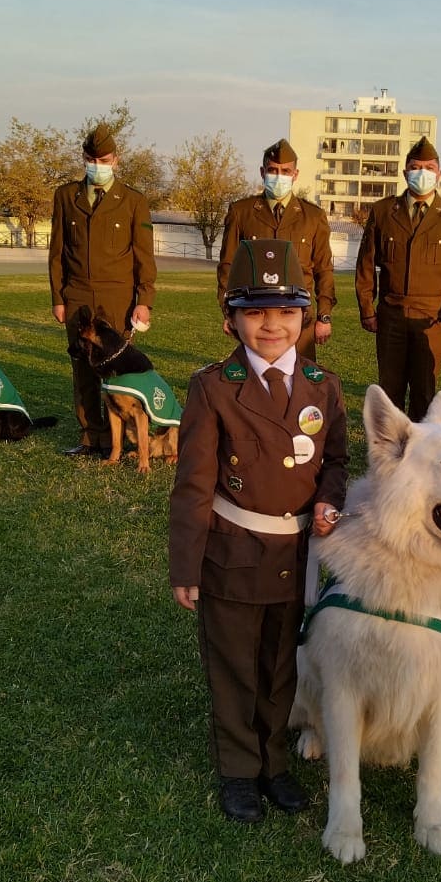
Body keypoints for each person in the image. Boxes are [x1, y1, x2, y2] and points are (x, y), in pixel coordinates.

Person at [170, 239, 348, 824]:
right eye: (256, 312)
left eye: (287, 311)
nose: (272, 325)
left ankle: (274, 764)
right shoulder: (213, 387)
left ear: (306, 317)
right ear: (232, 318)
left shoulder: (323, 385)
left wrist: (329, 499)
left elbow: (336, 461)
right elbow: (194, 484)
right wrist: (186, 565)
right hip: (233, 554)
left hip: (296, 554)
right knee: (235, 669)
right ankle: (240, 771)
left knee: (280, 665)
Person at [355, 135, 441, 420]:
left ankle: (422, 445)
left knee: (424, 392)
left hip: (431, 319)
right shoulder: (383, 212)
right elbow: (366, 265)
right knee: (390, 391)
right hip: (391, 315)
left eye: (429, 168)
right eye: (416, 167)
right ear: (405, 172)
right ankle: (391, 445)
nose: (422, 173)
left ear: (439, 174)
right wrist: (367, 309)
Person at [48, 122, 156, 457]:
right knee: (83, 367)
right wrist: (58, 298)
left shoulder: (133, 201)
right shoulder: (66, 196)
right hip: (78, 294)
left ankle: (116, 439)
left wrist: (144, 300)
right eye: (92, 159)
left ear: (116, 160)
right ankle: (90, 436)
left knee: (116, 367)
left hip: (117, 296)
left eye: (104, 160)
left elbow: (143, 255)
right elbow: (57, 252)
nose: (98, 166)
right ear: (84, 158)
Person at [217, 137, 336, 359]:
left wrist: (324, 316)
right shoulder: (241, 212)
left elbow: (324, 270)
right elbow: (227, 266)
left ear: (295, 174)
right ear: (263, 172)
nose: (279, 176)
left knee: (299, 376)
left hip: (299, 317)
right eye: (273, 170)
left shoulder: (313, 216)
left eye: (285, 171)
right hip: (255, 315)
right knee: (254, 375)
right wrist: (228, 311)